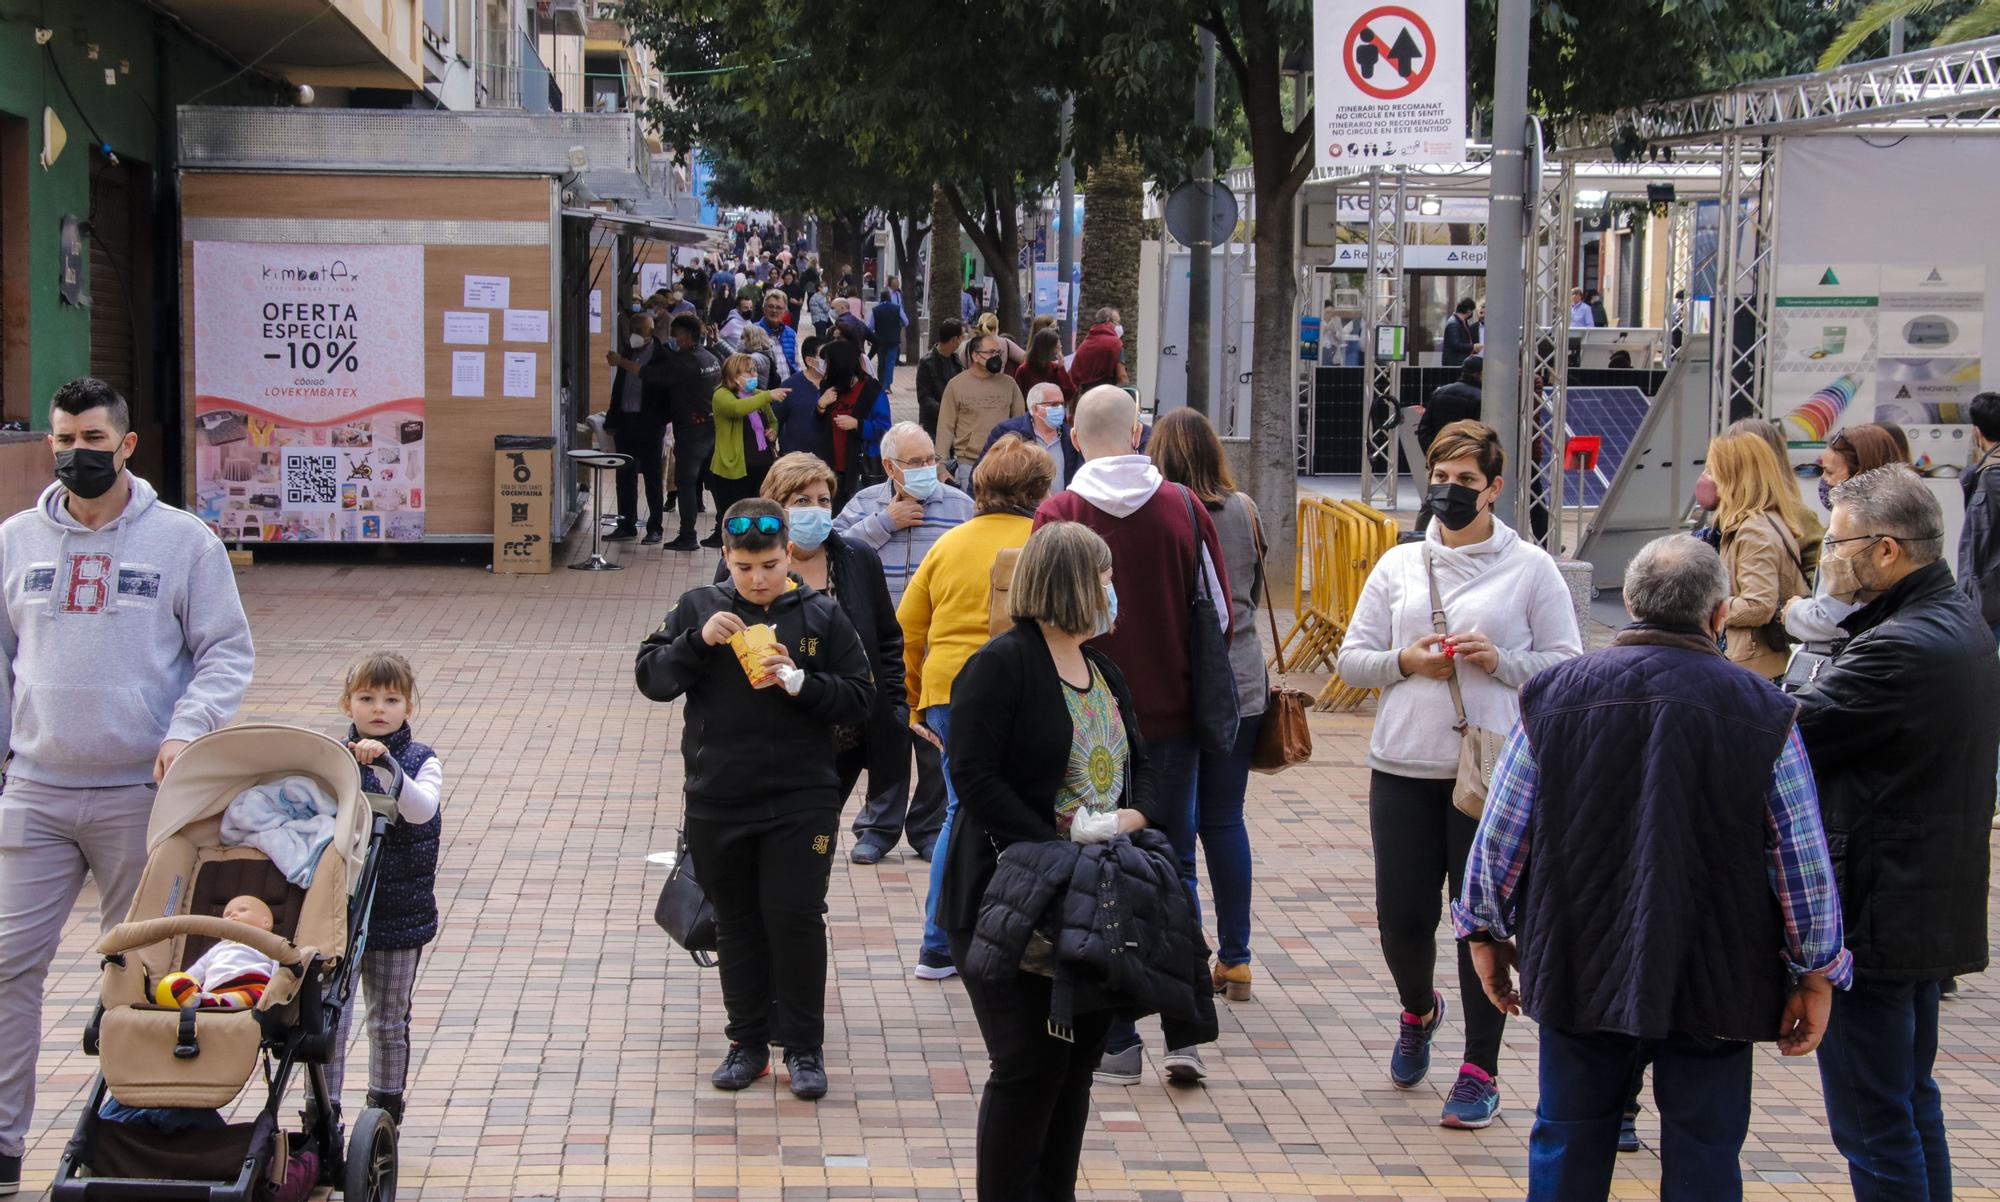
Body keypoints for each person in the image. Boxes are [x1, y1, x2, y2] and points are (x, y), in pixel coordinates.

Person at [1454, 535, 1850, 1201]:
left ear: (1631, 602)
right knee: (1705, 1156)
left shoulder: (1551, 696)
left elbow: (1501, 835)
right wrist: (1817, 970)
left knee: (1568, 1147)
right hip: (1719, 972)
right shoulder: (1766, 713)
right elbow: (1800, 861)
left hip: (1580, 960)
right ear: (1720, 615)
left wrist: (1483, 933)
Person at [0, 377, 255, 1193]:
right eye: (65, 441)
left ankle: (134, 1134)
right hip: (35, 790)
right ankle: (3, 1147)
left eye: (93, 443)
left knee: (141, 974)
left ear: (128, 445)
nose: (78, 456)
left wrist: (188, 729)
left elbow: (225, 651)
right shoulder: (13, 541)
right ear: (52, 440)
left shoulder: (184, 543)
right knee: (7, 966)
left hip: (139, 799)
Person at [1332, 418, 1583, 1128]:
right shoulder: (1399, 564)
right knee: (1401, 918)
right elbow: (1352, 659)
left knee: (1482, 920)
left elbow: (1568, 663)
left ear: (1495, 488)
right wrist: (1406, 662)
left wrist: (1500, 660)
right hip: (1403, 764)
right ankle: (1418, 1008)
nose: (1448, 491)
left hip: (1492, 772)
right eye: (1438, 478)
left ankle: (1481, 1066)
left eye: (1465, 482)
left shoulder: (1531, 568)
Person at [1789, 465, 1998, 1199]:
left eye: (1839, 543)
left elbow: (1787, 735)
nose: (1829, 559)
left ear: (1887, 550)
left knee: (1875, 1120)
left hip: (1880, 909)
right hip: (1915, 901)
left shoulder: (1901, 646)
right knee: (1908, 1104)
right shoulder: (1950, 620)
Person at [937, 520, 1154, 1200]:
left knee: (1074, 1067)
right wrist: (1054, 840)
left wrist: (1131, 817)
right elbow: (973, 776)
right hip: (1009, 902)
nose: (1115, 591)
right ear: (1073, 586)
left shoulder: (1103, 669)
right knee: (1028, 1064)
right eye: (1106, 578)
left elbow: (1140, 771)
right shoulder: (1002, 665)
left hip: (1092, 904)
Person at [635, 498, 875, 1100]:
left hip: (802, 799)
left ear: (787, 555)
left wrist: (802, 683)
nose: (758, 579)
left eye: (768, 564)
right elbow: (652, 678)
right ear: (726, 558)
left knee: (794, 917)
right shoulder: (700, 608)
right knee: (736, 922)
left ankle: (804, 1048)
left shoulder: (819, 614)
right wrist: (695, 643)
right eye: (744, 567)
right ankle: (746, 1042)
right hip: (719, 798)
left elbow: (860, 697)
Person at [1035, 386, 1230, 1086]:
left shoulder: (1058, 513)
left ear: (1076, 439)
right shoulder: (1184, 508)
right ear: (1140, 432)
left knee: (1096, 867)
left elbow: (1034, 618)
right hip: (1172, 716)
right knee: (1172, 864)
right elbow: (1222, 612)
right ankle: (1184, 1032)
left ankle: (1116, 1037)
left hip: (1085, 720)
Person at [901, 438, 1058, 974]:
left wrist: (914, 700)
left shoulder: (948, 543)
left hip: (949, 689)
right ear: (1039, 490)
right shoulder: (1047, 543)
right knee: (1028, 811)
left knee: (958, 810)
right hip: (1027, 691)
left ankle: (937, 943)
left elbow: (909, 628)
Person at [728, 454, 912, 876]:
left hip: (844, 729)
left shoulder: (857, 558)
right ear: (777, 506)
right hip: (774, 733)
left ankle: (807, 892)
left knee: (818, 827)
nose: (815, 510)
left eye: (823, 499)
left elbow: (886, 636)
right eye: (801, 500)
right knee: (774, 828)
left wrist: (894, 707)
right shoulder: (748, 564)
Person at [1148, 408, 1267, 1002]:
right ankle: (1238, 957)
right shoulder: (1243, 508)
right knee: (1226, 819)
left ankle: (1189, 954)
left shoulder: (1162, 510)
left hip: (1182, 683)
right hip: (1243, 680)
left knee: (1179, 823)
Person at [325, 651, 446, 1127]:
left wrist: (389, 765)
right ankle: (323, 1109)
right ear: (347, 705)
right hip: (338, 913)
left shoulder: (421, 760)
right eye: (367, 698)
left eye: (391, 699)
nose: (379, 708)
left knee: (388, 1020)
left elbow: (421, 810)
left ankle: (384, 1110)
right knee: (330, 1017)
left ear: (408, 707)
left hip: (399, 912)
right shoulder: (332, 759)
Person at [1702, 432, 1813, 680]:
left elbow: (1758, 605)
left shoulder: (1753, 531)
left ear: (1733, 476)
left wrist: (1707, 607)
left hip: (1752, 667)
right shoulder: (1759, 522)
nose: (1707, 479)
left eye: (1713, 470)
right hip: (1752, 664)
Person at [1786, 424, 1899, 650]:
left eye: (1829, 471)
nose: (1824, 481)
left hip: (1851, 656)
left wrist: (1794, 610)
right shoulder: (1905, 523)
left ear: (1858, 475)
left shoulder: (1845, 536)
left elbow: (1833, 619)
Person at [703, 355, 787, 547]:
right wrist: (767, 395)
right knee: (736, 516)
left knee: (758, 514)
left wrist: (773, 431)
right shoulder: (722, 395)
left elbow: (773, 419)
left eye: (755, 371)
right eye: (749, 371)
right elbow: (736, 409)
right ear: (733, 376)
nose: (754, 375)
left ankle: (756, 548)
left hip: (762, 466)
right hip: (734, 469)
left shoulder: (757, 394)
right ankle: (733, 553)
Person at [603, 311, 668, 544]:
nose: (636, 336)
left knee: (652, 475)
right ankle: (626, 523)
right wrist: (612, 419)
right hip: (626, 422)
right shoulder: (629, 350)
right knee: (624, 475)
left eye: (640, 331)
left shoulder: (661, 355)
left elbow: (656, 380)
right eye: (633, 331)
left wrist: (621, 361)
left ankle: (655, 527)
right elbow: (618, 388)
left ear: (650, 332)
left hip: (649, 424)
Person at [937, 332, 1027, 483]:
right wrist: (940, 465)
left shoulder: (1010, 384)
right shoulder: (956, 385)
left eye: (999, 352)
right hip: (969, 465)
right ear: (975, 356)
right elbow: (945, 427)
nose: (997, 357)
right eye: (991, 352)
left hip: (1004, 462)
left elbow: (1020, 424)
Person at [813, 339, 887, 512]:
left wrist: (858, 424)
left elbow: (885, 429)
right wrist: (820, 406)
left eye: (828, 363)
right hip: (831, 468)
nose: (824, 368)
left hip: (860, 469)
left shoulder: (872, 390)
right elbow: (816, 427)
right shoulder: (828, 387)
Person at [983, 383, 1080, 495]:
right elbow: (985, 472)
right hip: (1019, 509)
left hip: (1060, 509)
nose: (1059, 409)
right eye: (1053, 404)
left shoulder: (1070, 436)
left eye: (1062, 404)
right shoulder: (1008, 432)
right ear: (1035, 408)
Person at [1958, 391, 2000, 637]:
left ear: (1976, 432)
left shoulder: (1992, 475)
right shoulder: (1985, 472)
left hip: (1990, 603)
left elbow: (1977, 551)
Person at [1418, 354, 1483, 455]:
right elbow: (1481, 434)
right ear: (1479, 374)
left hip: (1440, 454)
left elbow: (1424, 430)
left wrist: (1434, 455)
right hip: (1466, 457)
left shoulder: (1439, 393)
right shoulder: (1480, 397)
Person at [916, 318, 966, 441]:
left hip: (953, 427)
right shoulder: (926, 363)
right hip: (933, 427)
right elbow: (924, 398)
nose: (962, 341)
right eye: (961, 337)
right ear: (954, 340)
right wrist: (947, 411)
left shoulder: (956, 361)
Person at [1011, 328, 1079, 407]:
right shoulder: (1024, 370)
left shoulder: (1056, 369)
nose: (1059, 351)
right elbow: (1018, 399)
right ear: (1047, 350)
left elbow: (1069, 393)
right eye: (1057, 348)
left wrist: (1061, 369)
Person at [1070, 308, 1125, 394]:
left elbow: (1073, 377)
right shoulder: (1115, 343)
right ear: (1107, 321)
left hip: (1085, 397)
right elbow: (1122, 376)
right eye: (1117, 323)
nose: (1119, 326)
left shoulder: (1084, 345)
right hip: (1107, 395)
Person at [871, 286, 907, 395]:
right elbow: (906, 322)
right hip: (893, 339)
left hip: (879, 339)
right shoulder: (897, 308)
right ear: (890, 298)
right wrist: (898, 325)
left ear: (881, 298)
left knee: (881, 362)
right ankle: (887, 386)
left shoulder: (875, 310)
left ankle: (880, 384)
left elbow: (870, 326)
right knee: (890, 362)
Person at [759, 290, 801, 378]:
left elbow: (796, 365)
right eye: (770, 306)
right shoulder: (752, 332)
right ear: (763, 309)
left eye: (779, 308)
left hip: (787, 388)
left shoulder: (791, 333)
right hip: (764, 390)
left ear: (785, 312)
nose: (774, 310)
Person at [1442, 297, 1479, 368]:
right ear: (1469, 311)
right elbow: (1456, 344)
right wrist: (1473, 347)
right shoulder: (1454, 324)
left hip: (1460, 362)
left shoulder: (1462, 322)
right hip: (1454, 364)